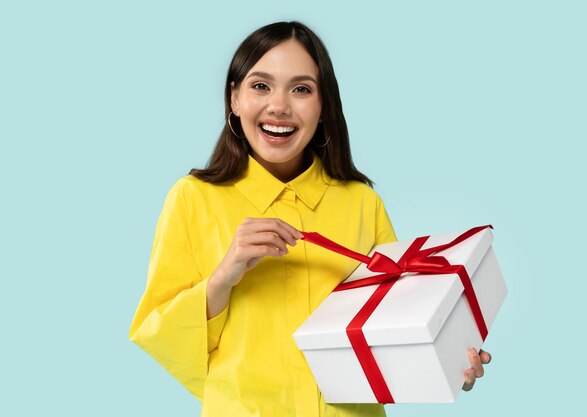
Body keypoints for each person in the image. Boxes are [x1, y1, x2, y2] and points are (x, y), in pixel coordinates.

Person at [129, 21, 491, 417]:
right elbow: (161, 335)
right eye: (260, 86)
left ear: (323, 108)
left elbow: (393, 327)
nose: (279, 106)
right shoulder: (192, 199)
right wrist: (224, 276)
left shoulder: (362, 203)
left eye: (301, 89)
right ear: (234, 98)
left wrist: (447, 359)